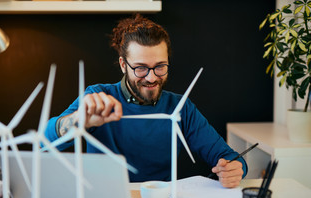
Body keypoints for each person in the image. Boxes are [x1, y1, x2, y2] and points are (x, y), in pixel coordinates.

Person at [45, 14, 247, 188]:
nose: (151, 78)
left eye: (160, 66)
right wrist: (79, 120)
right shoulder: (98, 96)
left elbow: (229, 157)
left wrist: (236, 169)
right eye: (140, 68)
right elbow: (45, 142)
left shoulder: (180, 107)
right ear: (123, 64)